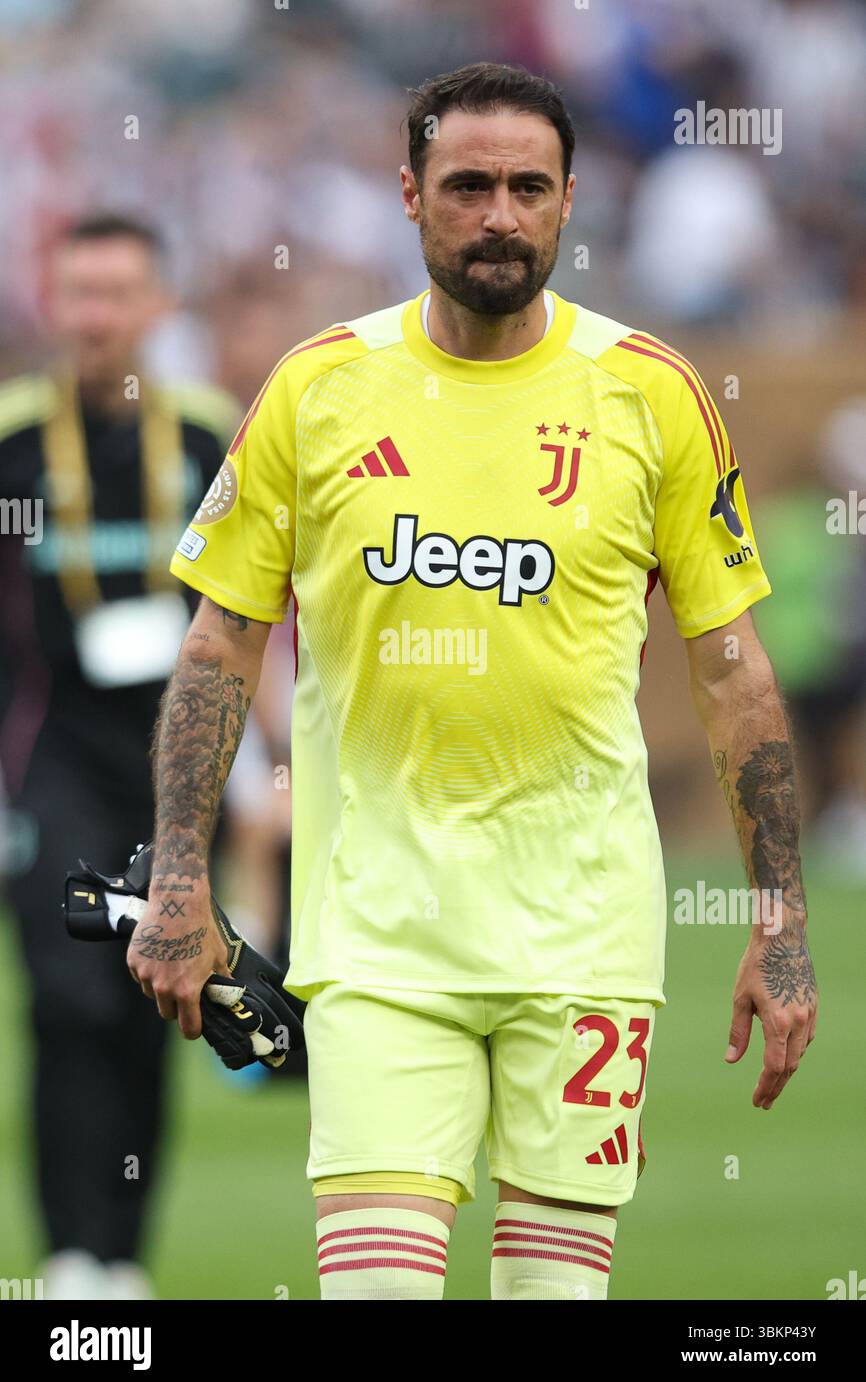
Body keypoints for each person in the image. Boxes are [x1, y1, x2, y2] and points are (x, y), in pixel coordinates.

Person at [127, 63, 818, 1301]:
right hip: (379, 938)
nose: (498, 213)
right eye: (467, 186)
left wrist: (780, 923)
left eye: (526, 188)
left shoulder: (651, 395)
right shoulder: (317, 387)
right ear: (408, 196)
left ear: (565, 206)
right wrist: (180, 872)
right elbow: (217, 644)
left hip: (585, 940)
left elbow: (731, 675)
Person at [0, 213, 238, 1298]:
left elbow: (255, 616)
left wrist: (270, 770)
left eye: (117, 294)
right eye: (78, 293)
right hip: (44, 757)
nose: (95, 317)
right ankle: (69, 1253)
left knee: (154, 996)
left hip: (177, 773)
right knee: (66, 998)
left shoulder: (208, 437)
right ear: (55, 303)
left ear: (158, 307)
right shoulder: (10, 440)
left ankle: (124, 1260)